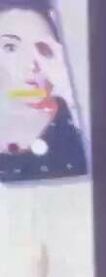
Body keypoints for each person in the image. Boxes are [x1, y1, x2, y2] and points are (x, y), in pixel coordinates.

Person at [0, 1, 89, 184]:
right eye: (10, 47)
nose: (32, 64)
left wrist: (70, 92)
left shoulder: (77, 119)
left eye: (42, 48)